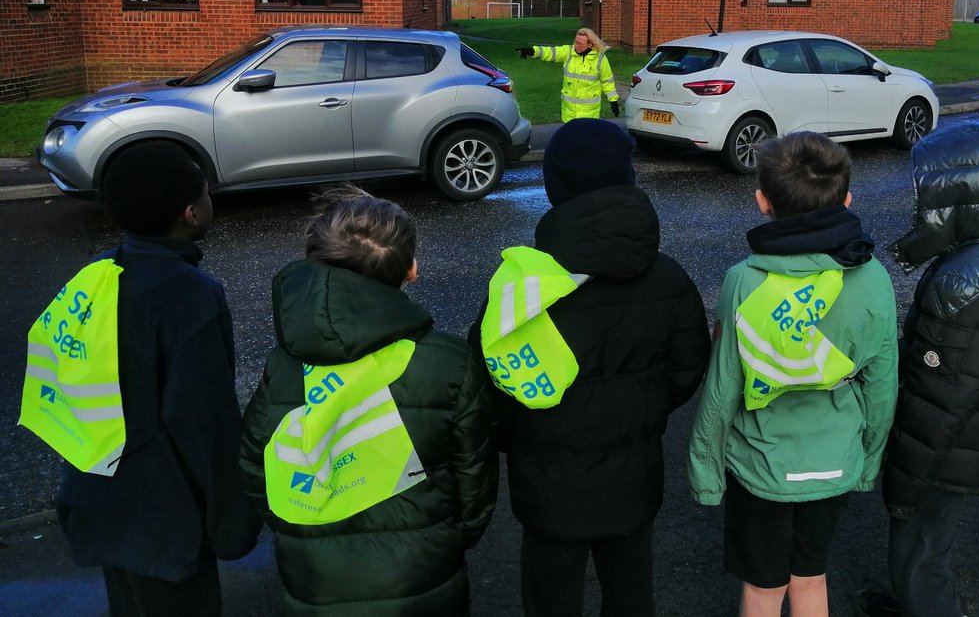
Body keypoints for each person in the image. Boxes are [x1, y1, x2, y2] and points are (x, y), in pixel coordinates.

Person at [470, 117, 710, 617]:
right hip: (633, 471)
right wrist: (642, 408)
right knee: (632, 593)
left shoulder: (519, 289)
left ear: (553, 187)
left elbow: (489, 386)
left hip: (547, 480)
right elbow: (687, 367)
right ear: (627, 177)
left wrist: (523, 435)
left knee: (550, 599)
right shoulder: (668, 278)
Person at [19, 141, 260, 616]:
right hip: (166, 520)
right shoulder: (191, 295)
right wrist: (233, 524)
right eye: (206, 193)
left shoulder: (98, 274)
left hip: (101, 498)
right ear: (191, 213)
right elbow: (205, 422)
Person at [239, 186, 497, 615]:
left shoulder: (284, 365)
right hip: (421, 575)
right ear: (412, 269)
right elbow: (475, 480)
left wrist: (299, 531)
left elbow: (254, 467)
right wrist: (451, 537)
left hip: (313, 579)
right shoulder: (450, 361)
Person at [688, 131, 899, 617]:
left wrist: (706, 471)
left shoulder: (744, 280)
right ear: (847, 200)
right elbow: (883, 382)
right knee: (811, 579)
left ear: (762, 201)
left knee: (763, 589)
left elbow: (723, 386)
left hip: (762, 462)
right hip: (835, 457)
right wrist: (869, 460)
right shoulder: (874, 277)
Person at [855, 124, 979, 617]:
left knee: (920, 552)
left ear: (963, 197)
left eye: (928, 192)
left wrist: (908, 478)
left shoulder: (961, 283)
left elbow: (943, 399)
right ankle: (911, 604)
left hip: (944, 449)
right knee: (927, 545)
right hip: (971, 437)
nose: (919, 202)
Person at [516, 26, 620, 121]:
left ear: (590, 44)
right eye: (576, 42)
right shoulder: (568, 52)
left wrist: (613, 101)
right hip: (569, 114)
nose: (576, 46)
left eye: (580, 44)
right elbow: (551, 52)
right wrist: (532, 51)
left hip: (589, 114)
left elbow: (607, 82)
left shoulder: (600, 59)